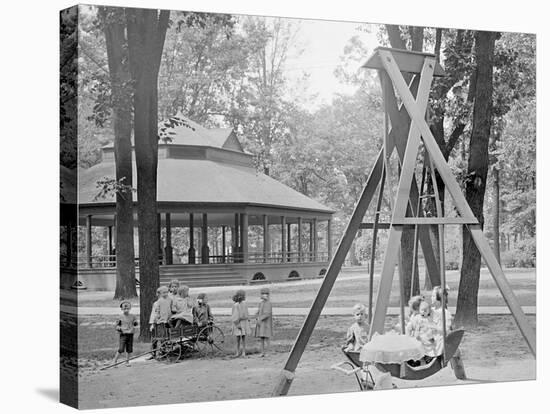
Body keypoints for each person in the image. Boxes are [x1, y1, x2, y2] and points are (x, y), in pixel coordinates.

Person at [112, 301, 138, 367]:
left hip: (130, 334)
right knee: (121, 349)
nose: (126, 310)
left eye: (128, 308)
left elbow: (135, 322)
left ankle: (127, 361)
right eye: (124, 308)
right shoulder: (120, 317)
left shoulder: (132, 316)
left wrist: (135, 323)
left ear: (130, 308)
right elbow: (116, 325)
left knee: (129, 349)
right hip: (123, 334)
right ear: (122, 309)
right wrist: (118, 328)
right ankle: (115, 361)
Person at [231, 289, 251, 357]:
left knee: (243, 338)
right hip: (238, 323)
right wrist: (237, 323)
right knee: (238, 339)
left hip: (243, 322)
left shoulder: (244, 304)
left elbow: (246, 313)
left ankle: (243, 352)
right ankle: (237, 351)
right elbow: (234, 315)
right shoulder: (235, 305)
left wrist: (247, 318)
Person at [254, 287, 273, 356]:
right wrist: (256, 315)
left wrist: (260, 318)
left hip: (266, 323)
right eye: (262, 294)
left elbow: (267, 314)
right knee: (261, 337)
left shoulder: (268, 303)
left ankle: (268, 352)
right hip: (261, 324)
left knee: (267, 337)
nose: (263, 295)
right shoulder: (261, 303)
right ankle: (262, 352)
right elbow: (259, 310)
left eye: (265, 294)